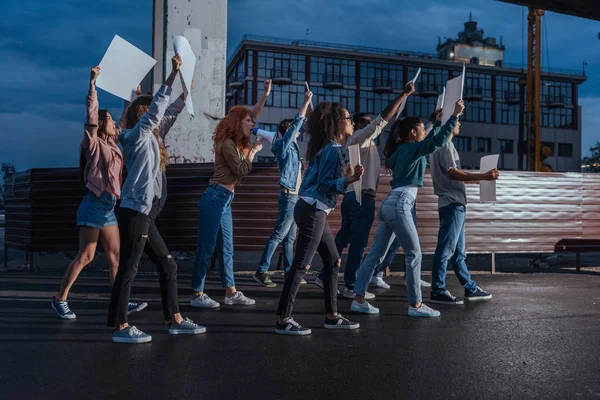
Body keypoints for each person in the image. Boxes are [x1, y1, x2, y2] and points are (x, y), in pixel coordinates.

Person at [107, 54, 205, 343]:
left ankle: (174, 319)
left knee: (168, 264)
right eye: (150, 111)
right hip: (135, 212)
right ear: (143, 114)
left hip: (145, 215)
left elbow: (169, 111)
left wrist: (186, 94)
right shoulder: (137, 135)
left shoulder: (152, 135)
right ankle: (120, 326)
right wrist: (173, 76)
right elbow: (157, 110)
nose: (156, 115)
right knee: (129, 267)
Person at [351, 100, 464, 318]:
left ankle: (359, 298)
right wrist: (454, 116)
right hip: (402, 203)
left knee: (374, 254)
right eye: (421, 128)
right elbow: (437, 142)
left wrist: (436, 122)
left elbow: (431, 140)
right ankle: (416, 305)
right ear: (413, 132)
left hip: (389, 204)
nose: (424, 131)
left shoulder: (400, 152)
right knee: (414, 254)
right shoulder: (413, 149)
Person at [51, 66, 147, 319]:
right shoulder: (93, 144)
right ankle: (60, 299)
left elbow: (127, 115)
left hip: (108, 208)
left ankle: (120, 302)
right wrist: (93, 84)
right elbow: (92, 116)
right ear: (102, 125)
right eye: (111, 122)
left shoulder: (114, 143)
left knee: (116, 256)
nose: (116, 124)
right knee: (86, 256)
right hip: (94, 204)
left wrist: (134, 95)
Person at [314, 83, 416, 299]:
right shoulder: (359, 138)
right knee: (358, 244)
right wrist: (403, 94)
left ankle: (324, 276)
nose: (372, 127)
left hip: (352, 196)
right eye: (365, 123)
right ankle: (351, 286)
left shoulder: (355, 143)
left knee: (344, 237)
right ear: (359, 126)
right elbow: (383, 120)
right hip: (362, 197)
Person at [275, 102, 364, 335]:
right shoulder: (333, 149)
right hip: (313, 210)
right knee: (301, 265)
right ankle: (283, 319)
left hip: (314, 209)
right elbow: (324, 185)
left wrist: (345, 178)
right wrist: (348, 180)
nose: (352, 122)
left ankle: (332, 316)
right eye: (348, 118)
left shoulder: (327, 148)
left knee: (333, 261)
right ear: (337, 123)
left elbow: (320, 182)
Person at [190, 80, 272, 308]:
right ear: (238, 123)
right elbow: (241, 170)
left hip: (224, 201)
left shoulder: (237, 144)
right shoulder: (227, 144)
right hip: (215, 198)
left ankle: (230, 292)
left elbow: (252, 114)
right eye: (248, 121)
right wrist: (254, 151)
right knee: (206, 248)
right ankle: (197, 294)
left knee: (227, 249)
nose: (252, 124)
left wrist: (265, 95)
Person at [429, 120, 497, 304]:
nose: (459, 125)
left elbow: (455, 176)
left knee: (458, 253)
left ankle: (469, 288)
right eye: (457, 121)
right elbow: (453, 173)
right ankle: (437, 290)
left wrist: (482, 179)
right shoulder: (445, 144)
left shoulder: (438, 142)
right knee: (445, 250)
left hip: (453, 204)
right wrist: (483, 177)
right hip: (452, 204)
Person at [253, 90, 313, 287]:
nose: (299, 133)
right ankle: (261, 271)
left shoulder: (292, 148)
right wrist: (305, 103)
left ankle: (289, 273)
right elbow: (297, 123)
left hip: (295, 197)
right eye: (295, 131)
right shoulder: (283, 145)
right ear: (288, 132)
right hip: (288, 198)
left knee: (290, 238)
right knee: (279, 234)